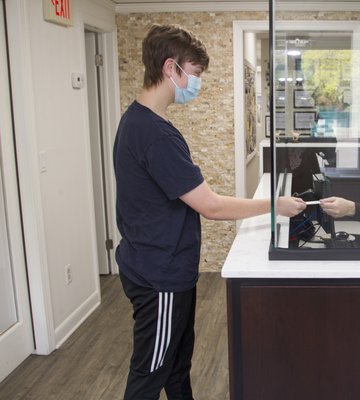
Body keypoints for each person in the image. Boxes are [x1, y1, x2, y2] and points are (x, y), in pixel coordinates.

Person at [112, 24, 305, 400]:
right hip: (160, 277)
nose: (196, 84)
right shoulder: (154, 133)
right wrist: (274, 205)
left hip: (163, 267)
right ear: (171, 68)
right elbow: (211, 205)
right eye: (195, 74)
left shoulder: (140, 121)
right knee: (149, 375)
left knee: (176, 367)